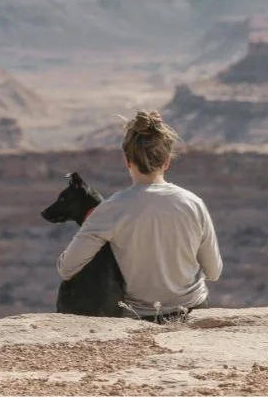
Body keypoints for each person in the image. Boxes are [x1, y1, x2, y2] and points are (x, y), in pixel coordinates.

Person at [56, 110, 223, 322]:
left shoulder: (111, 209)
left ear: (127, 160)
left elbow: (66, 268)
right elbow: (214, 272)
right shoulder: (193, 203)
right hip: (193, 309)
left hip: (141, 317)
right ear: (166, 161)